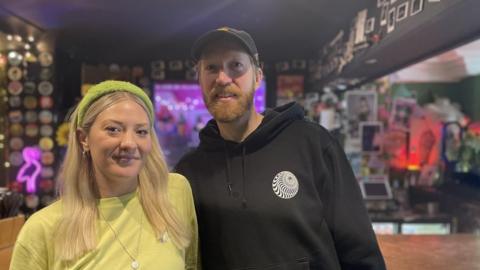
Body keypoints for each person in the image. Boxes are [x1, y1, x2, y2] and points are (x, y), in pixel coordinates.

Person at [175, 27, 386, 270]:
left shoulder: (313, 144)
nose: (222, 78)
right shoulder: (189, 172)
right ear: (200, 79)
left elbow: (360, 252)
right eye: (211, 68)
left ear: (257, 76)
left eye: (235, 65)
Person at [10, 80, 199, 270]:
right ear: (83, 138)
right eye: (113, 129)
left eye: (141, 131)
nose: (129, 143)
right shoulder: (42, 229)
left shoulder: (175, 192)